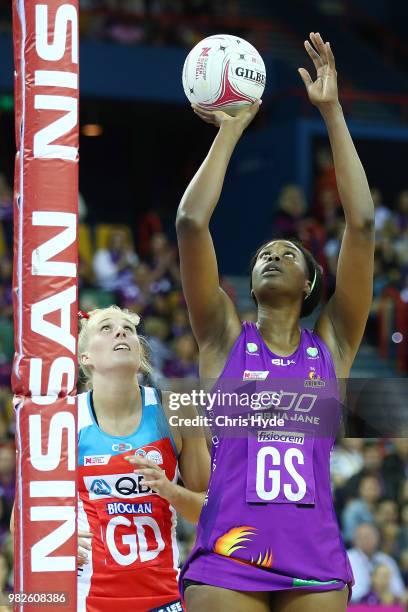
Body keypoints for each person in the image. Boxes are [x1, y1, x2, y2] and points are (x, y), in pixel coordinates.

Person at [176, 32, 375, 612]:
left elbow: (360, 225)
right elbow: (191, 223)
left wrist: (333, 111)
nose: (272, 255)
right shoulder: (221, 337)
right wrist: (231, 130)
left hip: (314, 560)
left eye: (288, 252)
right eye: (264, 252)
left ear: (311, 282)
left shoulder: (332, 346)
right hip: (227, 560)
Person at [11, 305, 210, 612]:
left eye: (128, 329)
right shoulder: (61, 419)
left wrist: (171, 491)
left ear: (140, 352)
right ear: (85, 358)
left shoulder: (178, 409)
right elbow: (20, 522)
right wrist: (54, 536)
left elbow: (213, 511)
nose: (121, 332)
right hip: (84, 597)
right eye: (107, 328)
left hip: (164, 597)